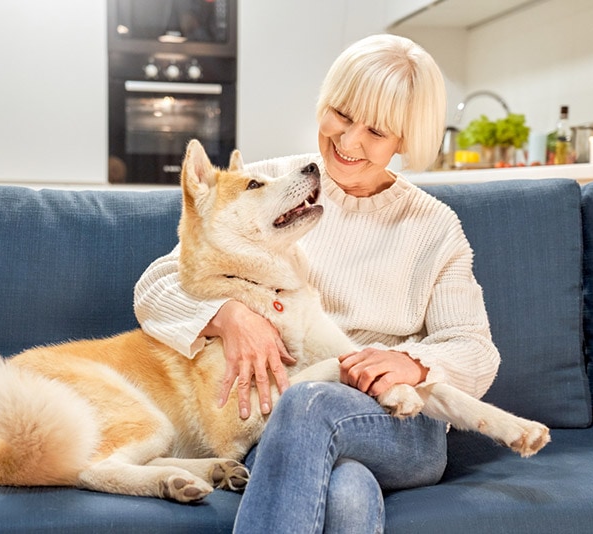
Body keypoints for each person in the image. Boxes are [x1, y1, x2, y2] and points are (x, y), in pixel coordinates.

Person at [134, 33, 500, 533]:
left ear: (405, 140)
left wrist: (411, 363)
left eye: (376, 131)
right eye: (342, 116)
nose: (349, 142)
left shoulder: (434, 226)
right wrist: (228, 316)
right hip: (288, 426)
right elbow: (156, 285)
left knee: (307, 403)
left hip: (395, 427)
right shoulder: (269, 184)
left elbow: (475, 348)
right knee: (347, 492)